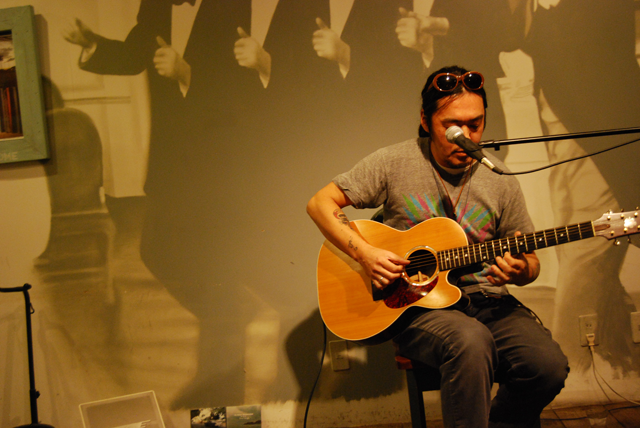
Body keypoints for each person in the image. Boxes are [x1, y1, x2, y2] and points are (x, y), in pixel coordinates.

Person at [307, 65, 569, 428]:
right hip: (416, 305)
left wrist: (523, 270)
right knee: (470, 342)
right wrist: (365, 254)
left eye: (475, 124)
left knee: (548, 367)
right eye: (452, 125)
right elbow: (320, 204)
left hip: (487, 299)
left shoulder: (500, 179)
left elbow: (530, 259)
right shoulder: (394, 162)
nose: (465, 135)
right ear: (426, 120)